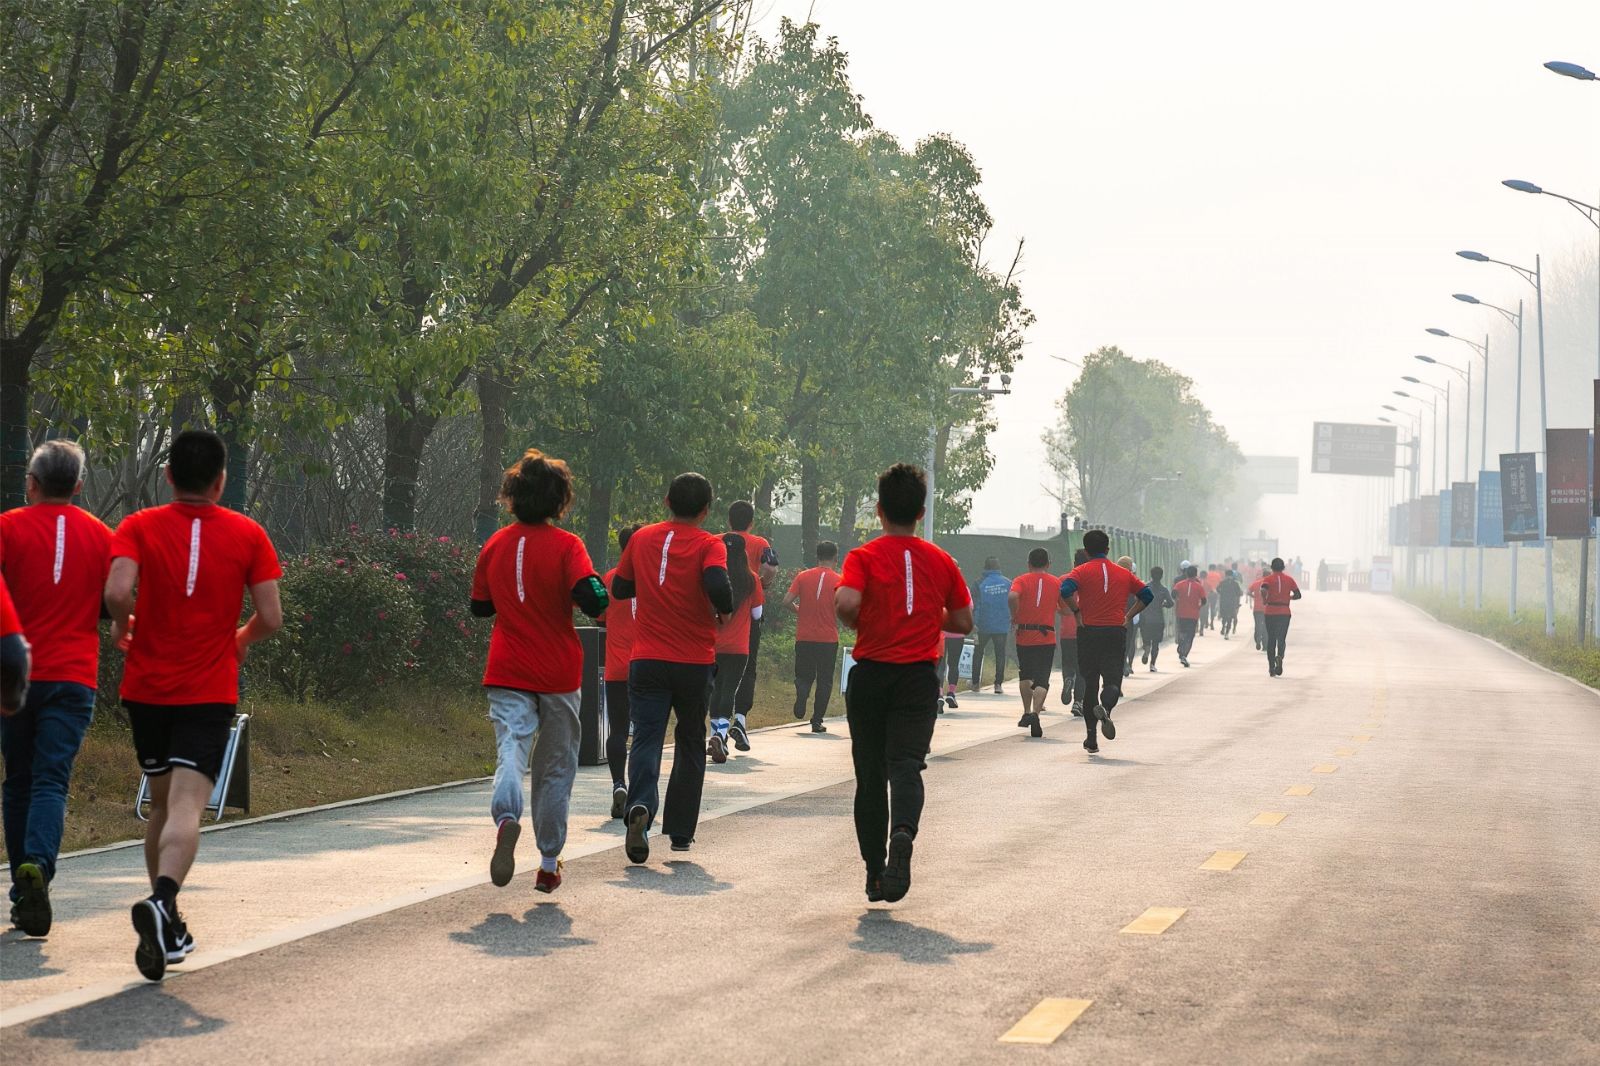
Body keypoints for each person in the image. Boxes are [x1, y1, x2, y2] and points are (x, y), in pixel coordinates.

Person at [105, 429, 283, 981]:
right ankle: (161, 902)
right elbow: (272, 618)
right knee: (188, 807)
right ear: (221, 480)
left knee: (159, 806)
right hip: (208, 690)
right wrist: (239, 639)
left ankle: (169, 920)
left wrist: (123, 624)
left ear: (168, 476)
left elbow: (115, 591)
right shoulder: (249, 534)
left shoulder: (137, 526)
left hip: (146, 689)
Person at [835, 464, 972, 904]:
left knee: (869, 775)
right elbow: (964, 620)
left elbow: (848, 602)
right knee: (907, 766)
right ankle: (903, 833)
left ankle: (875, 873)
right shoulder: (941, 560)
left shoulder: (863, 557)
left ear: (878, 511)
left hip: (872, 674)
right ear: (921, 511)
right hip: (918, 677)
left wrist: (855, 617)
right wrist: (932, 616)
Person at [471, 450, 607, 894]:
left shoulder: (494, 544)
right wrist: (594, 595)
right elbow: (592, 598)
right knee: (555, 767)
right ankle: (548, 861)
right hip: (559, 673)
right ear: (559, 500)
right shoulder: (569, 547)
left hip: (508, 667)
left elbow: (480, 606)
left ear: (512, 497)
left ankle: (507, 816)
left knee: (511, 747)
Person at [1, 440, 113, 937]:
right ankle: (38, 869)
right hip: (73, 676)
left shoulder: (7, 528)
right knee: (51, 780)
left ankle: (23, 884)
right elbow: (114, 599)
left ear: (32, 482)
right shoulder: (102, 536)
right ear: (80, 487)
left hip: (15, 676)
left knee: (18, 780)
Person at [612, 473, 733, 863]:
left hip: (646, 658)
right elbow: (716, 582)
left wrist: (651, 585)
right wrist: (725, 609)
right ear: (706, 510)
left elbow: (620, 588)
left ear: (666, 501)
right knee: (690, 741)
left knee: (646, 737)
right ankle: (680, 831)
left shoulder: (642, 538)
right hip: (694, 662)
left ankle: (641, 807)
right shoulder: (708, 543)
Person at [1060, 531, 1151, 755]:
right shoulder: (1123, 573)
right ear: (1108, 550)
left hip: (1088, 631)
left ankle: (1091, 738)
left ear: (1086, 550)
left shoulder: (1080, 572)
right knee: (1112, 682)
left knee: (1090, 682)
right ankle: (1106, 709)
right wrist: (1128, 616)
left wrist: (1077, 612)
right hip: (1115, 631)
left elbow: (1064, 590)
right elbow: (1147, 595)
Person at [726, 501, 778, 754]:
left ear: (728, 521)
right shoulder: (761, 543)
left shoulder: (716, 540)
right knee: (748, 666)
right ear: (751, 522)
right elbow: (771, 566)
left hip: (717, 612)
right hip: (749, 612)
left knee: (716, 667)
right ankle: (741, 719)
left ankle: (719, 724)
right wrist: (762, 583)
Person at [709, 533, 761, 762]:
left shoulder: (715, 577)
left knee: (715, 689)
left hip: (714, 644)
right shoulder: (752, 579)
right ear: (744, 552)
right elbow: (757, 614)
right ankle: (721, 733)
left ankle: (714, 734)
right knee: (729, 690)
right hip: (739, 647)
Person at [601, 526, 641, 819]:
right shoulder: (654, 578)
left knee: (617, 729)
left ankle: (618, 783)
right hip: (649, 667)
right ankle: (640, 793)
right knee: (645, 733)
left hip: (617, 668)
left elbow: (600, 616)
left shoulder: (610, 578)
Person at [784, 542, 841, 733]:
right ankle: (817, 721)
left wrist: (799, 610)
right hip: (828, 638)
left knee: (804, 675)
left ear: (817, 556)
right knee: (824, 680)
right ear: (835, 558)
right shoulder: (839, 580)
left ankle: (802, 692)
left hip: (804, 636)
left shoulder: (803, 576)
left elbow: (786, 601)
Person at [1009, 548, 1060, 738]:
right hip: (1047, 637)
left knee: (1025, 675)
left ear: (1029, 563)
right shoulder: (1056, 582)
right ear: (1048, 564)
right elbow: (1063, 607)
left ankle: (1025, 712)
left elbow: (1013, 596)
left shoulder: (1021, 580)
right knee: (1042, 679)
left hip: (1024, 634)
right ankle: (1036, 714)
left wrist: (1015, 615)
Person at [970, 557, 1011, 694]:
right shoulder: (1008, 583)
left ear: (985, 567)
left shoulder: (978, 583)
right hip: (1002, 625)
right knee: (1000, 654)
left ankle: (975, 684)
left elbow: (975, 605)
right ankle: (998, 685)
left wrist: (974, 623)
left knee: (978, 653)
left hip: (983, 625)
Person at [1057, 548, 1089, 716]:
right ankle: (1078, 702)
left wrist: (1063, 611)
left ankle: (1067, 679)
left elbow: (1056, 604)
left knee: (1068, 663)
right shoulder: (1091, 581)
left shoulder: (1063, 579)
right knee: (1082, 669)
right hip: (1085, 631)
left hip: (1067, 631)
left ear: (1074, 563)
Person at [1262, 556, 1303, 676]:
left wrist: (1265, 599)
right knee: (1281, 638)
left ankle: (1271, 667)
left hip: (1270, 611)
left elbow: (1263, 589)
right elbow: (1298, 595)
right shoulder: (1289, 580)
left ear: (1272, 567)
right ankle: (1279, 656)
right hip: (1284, 612)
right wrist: (1288, 597)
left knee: (1271, 639)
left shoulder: (1268, 579)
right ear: (1283, 567)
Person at [1138, 565, 1175, 673]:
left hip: (1145, 619)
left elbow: (1138, 600)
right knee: (1156, 643)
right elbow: (1171, 603)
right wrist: (1163, 604)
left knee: (1146, 639)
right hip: (1158, 620)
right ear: (1161, 576)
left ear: (1151, 575)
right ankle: (1152, 664)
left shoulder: (1145, 587)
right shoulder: (1164, 590)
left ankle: (1146, 649)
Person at [1172, 565, 1205, 667]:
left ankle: (1181, 647)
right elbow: (1204, 600)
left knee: (1182, 632)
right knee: (1190, 635)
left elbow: (1173, 594)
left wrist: (1178, 600)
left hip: (1181, 613)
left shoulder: (1179, 584)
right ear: (1196, 575)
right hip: (1193, 615)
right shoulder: (1199, 586)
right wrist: (1199, 606)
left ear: (1186, 573)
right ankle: (1184, 654)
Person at [1217, 568, 1243, 640]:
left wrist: (1222, 594)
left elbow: (1217, 589)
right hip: (1232, 603)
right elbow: (1239, 593)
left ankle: (1223, 627)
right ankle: (1227, 633)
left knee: (1224, 616)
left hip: (1223, 602)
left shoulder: (1222, 582)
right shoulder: (1235, 583)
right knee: (1230, 618)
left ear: (1225, 575)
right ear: (1232, 576)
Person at [1248, 567, 1269, 652]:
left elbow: (1248, 592)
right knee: (1265, 627)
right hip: (1267, 609)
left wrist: (1254, 597)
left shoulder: (1256, 583)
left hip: (1257, 609)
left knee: (1257, 625)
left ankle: (1257, 640)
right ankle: (1265, 646)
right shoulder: (1271, 584)